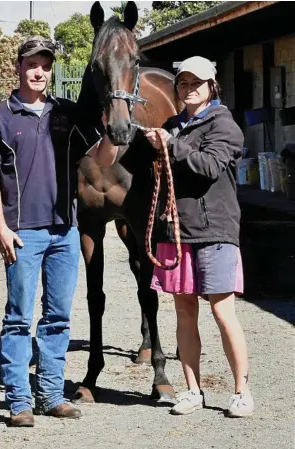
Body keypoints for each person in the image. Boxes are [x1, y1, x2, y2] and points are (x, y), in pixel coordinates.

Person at [0, 36, 118, 427]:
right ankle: (19, 401)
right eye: (32, 64)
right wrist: (1, 228)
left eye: (45, 64)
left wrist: (114, 133)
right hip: (22, 233)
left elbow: (102, 159)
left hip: (64, 232)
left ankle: (51, 395)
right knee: (18, 319)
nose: (39, 71)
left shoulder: (67, 114)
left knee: (57, 318)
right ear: (18, 68)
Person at [145, 56, 254, 418]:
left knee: (223, 312)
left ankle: (241, 390)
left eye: (196, 82)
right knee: (183, 312)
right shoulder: (172, 124)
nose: (189, 88)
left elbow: (208, 166)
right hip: (176, 233)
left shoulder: (225, 125)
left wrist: (171, 145)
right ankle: (193, 390)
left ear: (212, 86)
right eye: (183, 83)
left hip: (215, 231)